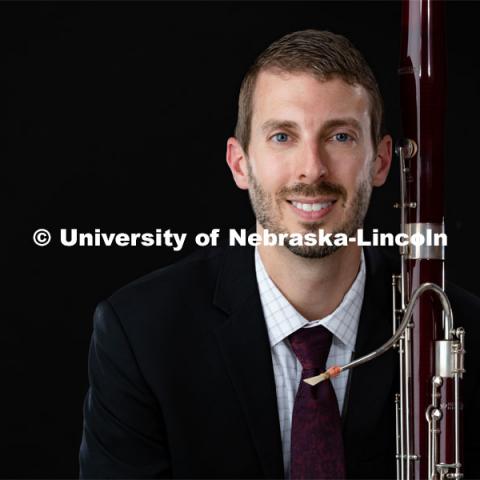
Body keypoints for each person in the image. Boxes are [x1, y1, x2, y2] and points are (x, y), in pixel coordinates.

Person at [79, 30, 480, 479]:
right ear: (240, 163)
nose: (312, 167)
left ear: (382, 161)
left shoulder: (460, 329)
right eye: (283, 136)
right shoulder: (140, 335)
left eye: (341, 136)